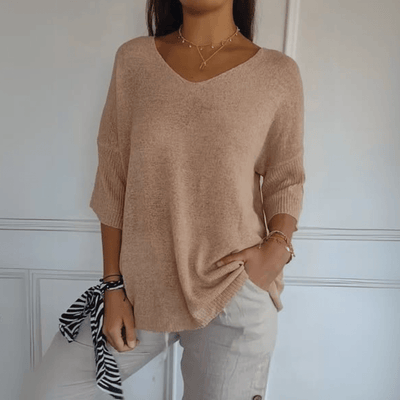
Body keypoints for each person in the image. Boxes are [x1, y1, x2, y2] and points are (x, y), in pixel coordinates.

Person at [20, 0, 305, 399]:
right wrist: (112, 285)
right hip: (140, 290)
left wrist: (277, 249)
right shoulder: (134, 61)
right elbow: (113, 178)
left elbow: (286, 176)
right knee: (49, 390)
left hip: (232, 289)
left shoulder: (276, 73)